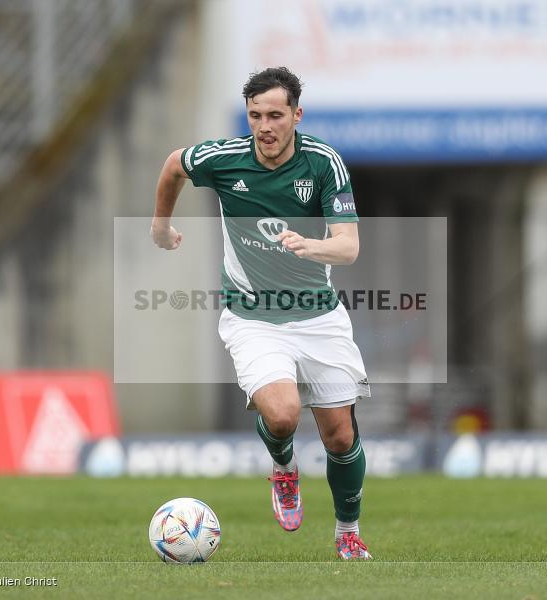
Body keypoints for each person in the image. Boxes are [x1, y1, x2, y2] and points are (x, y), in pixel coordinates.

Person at [151, 67, 372, 560]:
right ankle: (284, 467)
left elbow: (349, 247)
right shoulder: (224, 159)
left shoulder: (324, 164)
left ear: (297, 114)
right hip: (252, 316)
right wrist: (161, 226)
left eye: (275, 115)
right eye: (255, 116)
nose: (265, 126)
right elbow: (173, 166)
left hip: (318, 316)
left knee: (340, 435)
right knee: (283, 413)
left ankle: (347, 532)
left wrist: (311, 247)